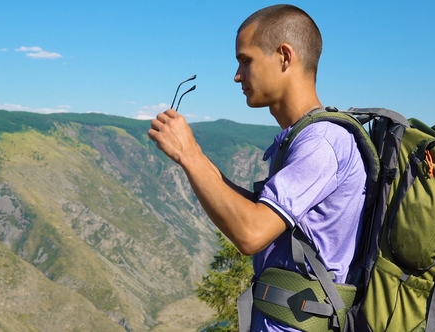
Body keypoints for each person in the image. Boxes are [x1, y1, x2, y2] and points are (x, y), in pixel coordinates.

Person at [147, 4, 367, 332]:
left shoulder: (322, 143)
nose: (237, 76)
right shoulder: (299, 138)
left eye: (245, 61)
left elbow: (251, 234)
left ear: (284, 56)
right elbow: (259, 214)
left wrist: (190, 155)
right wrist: (192, 156)